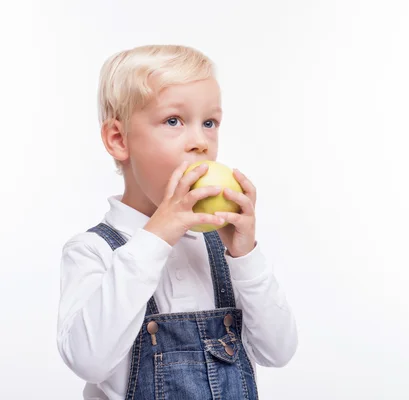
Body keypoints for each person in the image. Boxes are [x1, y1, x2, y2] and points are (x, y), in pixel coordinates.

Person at [56, 44, 298, 400]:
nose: (200, 142)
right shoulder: (92, 251)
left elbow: (278, 351)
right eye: (174, 121)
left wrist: (246, 257)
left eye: (209, 123)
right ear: (119, 139)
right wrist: (155, 238)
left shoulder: (219, 248)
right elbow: (88, 361)